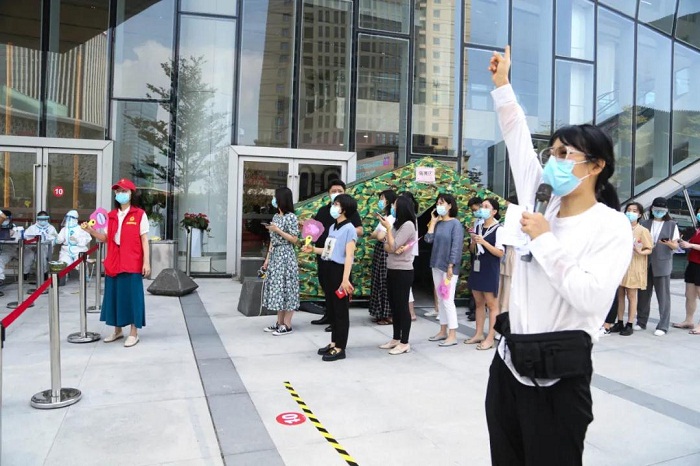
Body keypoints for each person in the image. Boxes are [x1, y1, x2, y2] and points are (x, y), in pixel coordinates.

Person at [485, 46, 632, 465]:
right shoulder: (542, 202)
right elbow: (516, 137)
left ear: (596, 166)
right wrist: (503, 85)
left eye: (567, 154)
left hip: (559, 378)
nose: (555, 161)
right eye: (553, 152)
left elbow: (590, 297)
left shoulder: (610, 226)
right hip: (509, 366)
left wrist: (546, 241)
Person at [82, 178, 149, 348]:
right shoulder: (110, 216)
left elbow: (144, 240)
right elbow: (105, 238)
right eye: (118, 191)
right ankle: (117, 330)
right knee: (114, 296)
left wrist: (146, 262)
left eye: (124, 191)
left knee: (133, 297)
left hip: (132, 261)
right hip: (113, 261)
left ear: (131, 193)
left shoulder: (139, 214)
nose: (120, 194)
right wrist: (91, 231)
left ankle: (133, 332)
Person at [302, 194, 358, 361]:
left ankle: (340, 348)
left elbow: (349, 256)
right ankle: (334, 342)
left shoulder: (350, 229)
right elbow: (329, 250)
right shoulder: (333, 227)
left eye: (337, 204)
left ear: (344, 209)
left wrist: (345, 279)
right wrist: (313, 250)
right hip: (328, 269)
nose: (333, 207)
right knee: (332, 309)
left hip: (340, 272)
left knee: (341, 311)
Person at [310, 180, 363, 331]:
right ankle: (329, 316)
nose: (336, 194)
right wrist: (311, 244)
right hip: (326, 257)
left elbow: (358, 234)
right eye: (333, 191)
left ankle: (338, 324)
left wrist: (346, 232)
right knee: (327, 287)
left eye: (339, 191)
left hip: (340, 262)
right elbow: (318, 233)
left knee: (339, 296)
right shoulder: (325, 214)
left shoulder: (349, 220)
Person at [378, 196, 417, 355]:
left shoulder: (408, 225)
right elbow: (387, 246)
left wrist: (388, 230)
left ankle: (404, 342)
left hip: (403, 271)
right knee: (394, 306)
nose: (392, 208)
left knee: (402, 307)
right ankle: (395, 338)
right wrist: (391, 243)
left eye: (394, 205)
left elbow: (392, 245)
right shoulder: (396, 225)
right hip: (392, 268)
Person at [424, 193, 464, 347]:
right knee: (441, 299)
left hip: (448, 268)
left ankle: (452, 334)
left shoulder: (456, 224)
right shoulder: (439, 223)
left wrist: (451, 265)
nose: (439, 205)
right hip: (436, 264)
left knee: (447, 300)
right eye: (438, 203)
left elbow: (456, 246)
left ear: (450, 205)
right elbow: (428, 240)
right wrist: (433, 223)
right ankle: (442, 331)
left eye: (442, 203)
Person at [636, 197, 680, 336]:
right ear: (652, 209)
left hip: (662, 263)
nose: (658, 212)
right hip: (645, 262)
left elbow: (675, 246)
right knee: (643, 294)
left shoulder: (671, 225)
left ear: (666, 210)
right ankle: (641, 321)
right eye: (656, 209)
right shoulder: (644, 223)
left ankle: (663, 325)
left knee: (663, 296)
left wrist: (668, 243)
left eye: (661, 210)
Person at [466, 198, 504, 350]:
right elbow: (472, 249)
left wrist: (484, 242)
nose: (482, 208)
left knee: (492, 304)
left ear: (494, 211)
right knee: (479, 303)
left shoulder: (499, 229)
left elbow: (500, 253)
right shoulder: (478, 226)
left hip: (490, 268)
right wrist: (474, 242)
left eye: (486, 206)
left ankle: (490, 338)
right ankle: (478, 333)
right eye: (482, 206)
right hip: (477, 267)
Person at [262, 187, 299, 336]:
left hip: (286, 255)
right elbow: (272, 241)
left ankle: (287, 324)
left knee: (288, 288)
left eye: (275, 197)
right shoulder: (276, 216)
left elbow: (294, 239)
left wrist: (278, 230)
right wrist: (267, 259)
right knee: (278, 289)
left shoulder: (291, 217)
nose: (274, 200)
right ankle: (279, 322)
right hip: (276, 255)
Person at [612, 202, 653, 336]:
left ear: (640, 214)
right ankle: (619, 321)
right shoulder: (621, 228)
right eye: (629, 210)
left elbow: (649, 248)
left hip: (634, 265)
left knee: (631, 295)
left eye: (634, 211)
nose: (631, 213)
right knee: (620, 294)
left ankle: (629, 323)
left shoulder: (643, 231)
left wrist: (640, 251)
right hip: (620, 265)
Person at [369, 189, 397, 325]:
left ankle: (387, 315)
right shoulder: (384, 217)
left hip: (386, 251)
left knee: (384, 283)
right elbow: (373, 234)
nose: (380, 201)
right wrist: (379, 232)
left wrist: (380, 233)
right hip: (380, 250)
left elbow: (379, 236)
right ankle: (379, 313)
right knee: (378, 282)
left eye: (382, 199)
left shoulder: (390, 218)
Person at [676, 206, 700, 334]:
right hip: (692, 264)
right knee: (689, 294)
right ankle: (688, 320)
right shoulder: (696, 230)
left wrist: (691, 245)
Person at [399, 191, 420, 321]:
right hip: (409, 252)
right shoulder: (411, 217)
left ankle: (410, 312)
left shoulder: (409, 219)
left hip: (406, 253)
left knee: (405, 285)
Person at [23, 211, 58, 281]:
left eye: (45, 219)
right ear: (38, 219)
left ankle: (44, 273)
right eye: (41, 219)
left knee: (42, 255)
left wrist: (45, 242)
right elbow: (26, 237)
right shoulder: (32, 228)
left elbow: (54, 239)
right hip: (32, 248)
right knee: (28, 256)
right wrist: (32, 247)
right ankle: (25, 274)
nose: (43, 221)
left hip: (45, 249)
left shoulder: (51, 228)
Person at [465, 197, 484, 321]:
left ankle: (476, 310)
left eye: (474, 209)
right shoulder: (478, 221)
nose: (474, 212)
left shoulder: (489, 222)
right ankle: (473, 308)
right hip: (475, 252)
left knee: (479, 283)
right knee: (474, 281)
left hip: (482, 254)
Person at [0, 210, 20, 286]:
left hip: (9, 250)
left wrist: (13, 234)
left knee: (0, 260)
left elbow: (18, 241)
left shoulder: (15, 228)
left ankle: (0, 279)